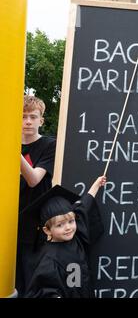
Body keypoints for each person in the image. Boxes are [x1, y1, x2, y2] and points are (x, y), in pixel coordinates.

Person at [21, 176, 106, 298]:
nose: (68, 228)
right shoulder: (49, 260)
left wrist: (96, 185)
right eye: (60, 225)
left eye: (71, 221)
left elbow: (84, 207)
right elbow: (44, 290)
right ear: (47, 230)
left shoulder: (76, 237)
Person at [16, 95, 56, 296]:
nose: (28, 121)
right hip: (7, 222)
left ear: (41, 120)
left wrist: (14, 150)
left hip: (33, 226)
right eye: (23, 117)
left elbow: (33, 179)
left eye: (33, 116)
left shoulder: (49, 145)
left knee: (29, 281)